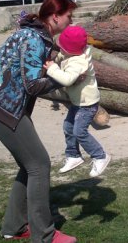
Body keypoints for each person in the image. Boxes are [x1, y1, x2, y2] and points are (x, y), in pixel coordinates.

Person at [0, 0, 78, 243]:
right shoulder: (33, 39)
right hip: (1, 109)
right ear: (55, 16)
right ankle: (44, 236)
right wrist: (63, 78)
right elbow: (32, 85)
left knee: (29, 163)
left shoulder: (35, 33)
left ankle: (15, 226)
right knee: (39, 164)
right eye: (69, 16)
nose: (71, 21)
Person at [44, 25, 111, 178]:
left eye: (63, 48)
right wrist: (58, 58)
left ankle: (100, 156)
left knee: (79, 132)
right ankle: (73, 155)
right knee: (68, 127)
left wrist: (52, 68)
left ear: (72, 50)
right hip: (78, 102)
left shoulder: (78, 62)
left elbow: (67, 80)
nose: (61, 50)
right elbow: (63, 56)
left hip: (87, 104)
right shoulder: (73, 53)